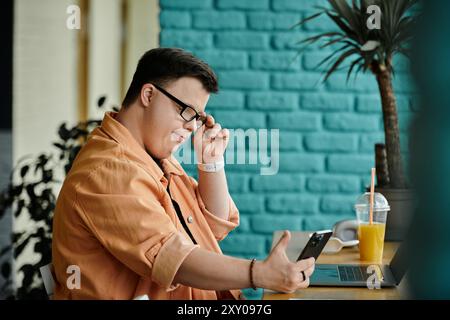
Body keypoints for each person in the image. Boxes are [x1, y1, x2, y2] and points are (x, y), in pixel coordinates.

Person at [52, 47, 315, 300]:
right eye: (186, 111)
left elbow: (211, 227)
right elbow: (174, 261)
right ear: (148, 95)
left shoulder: (153, 157)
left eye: (198, 117)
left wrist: (211, 163)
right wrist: (260, 274)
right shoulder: (109, 170)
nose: (191, 127)